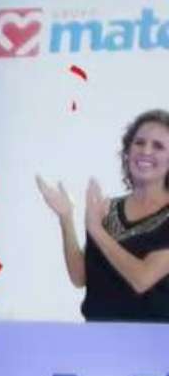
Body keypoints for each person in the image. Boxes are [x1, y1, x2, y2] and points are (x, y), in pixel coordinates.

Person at [37, 109, 169, 322]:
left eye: (158, 146)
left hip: (154, 339)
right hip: (97, 336)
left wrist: (96, 230)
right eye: (139, 143)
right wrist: (66, 218)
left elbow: (142, 279)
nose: (146, 151)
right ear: (127, 151)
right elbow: (80, 276)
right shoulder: (108, 209)